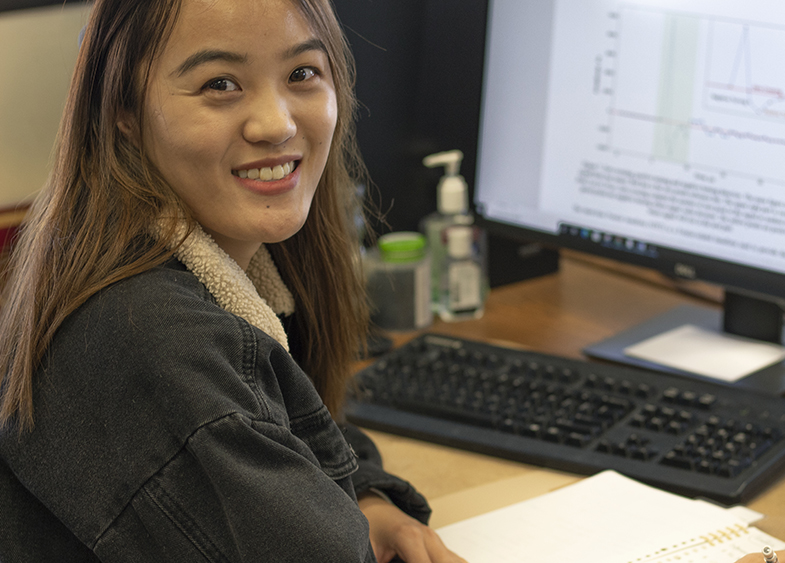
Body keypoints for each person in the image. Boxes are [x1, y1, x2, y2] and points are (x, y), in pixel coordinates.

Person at [0, 0, 464, 561]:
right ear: (122, 108)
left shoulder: (225, 271)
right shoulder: (145, 334)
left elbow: (281, 427)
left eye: (302, 74)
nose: (278, 123)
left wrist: (365, 496)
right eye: (220, 83)